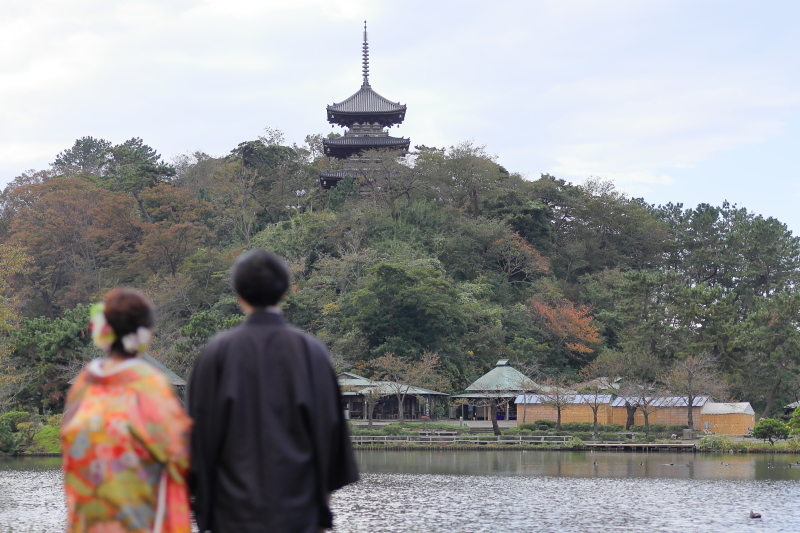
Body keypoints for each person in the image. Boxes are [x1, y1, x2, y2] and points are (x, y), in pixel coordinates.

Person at [187, 249, 358, 533]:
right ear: (285, 291)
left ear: (239, 294)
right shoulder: (311, 353)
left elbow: (198, 440)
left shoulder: (216, 354)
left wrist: (206, 508)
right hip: (298, 516)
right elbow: (331, 437)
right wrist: (319, 511)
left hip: (231, 517)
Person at [61, 288, 192, 533]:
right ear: (145, 334)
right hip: (137, 521)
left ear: (103, 330)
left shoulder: (83, 384)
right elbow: (180, 454)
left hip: (88, 521)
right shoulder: (151, 385)